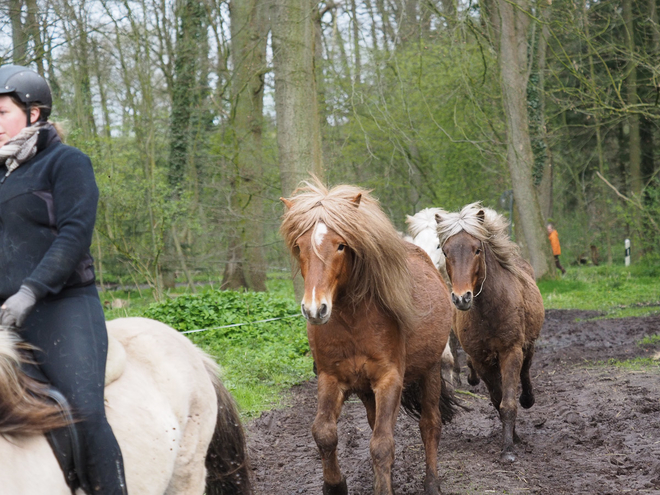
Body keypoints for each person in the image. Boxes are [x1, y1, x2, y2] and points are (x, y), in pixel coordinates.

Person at [0, 65, 128, 494]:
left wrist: (30, 291)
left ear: (34, 114)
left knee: (85, 410)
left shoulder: (67, 163)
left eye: (1, 112)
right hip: (5, 317)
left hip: (62, 308)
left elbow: (74, 235)